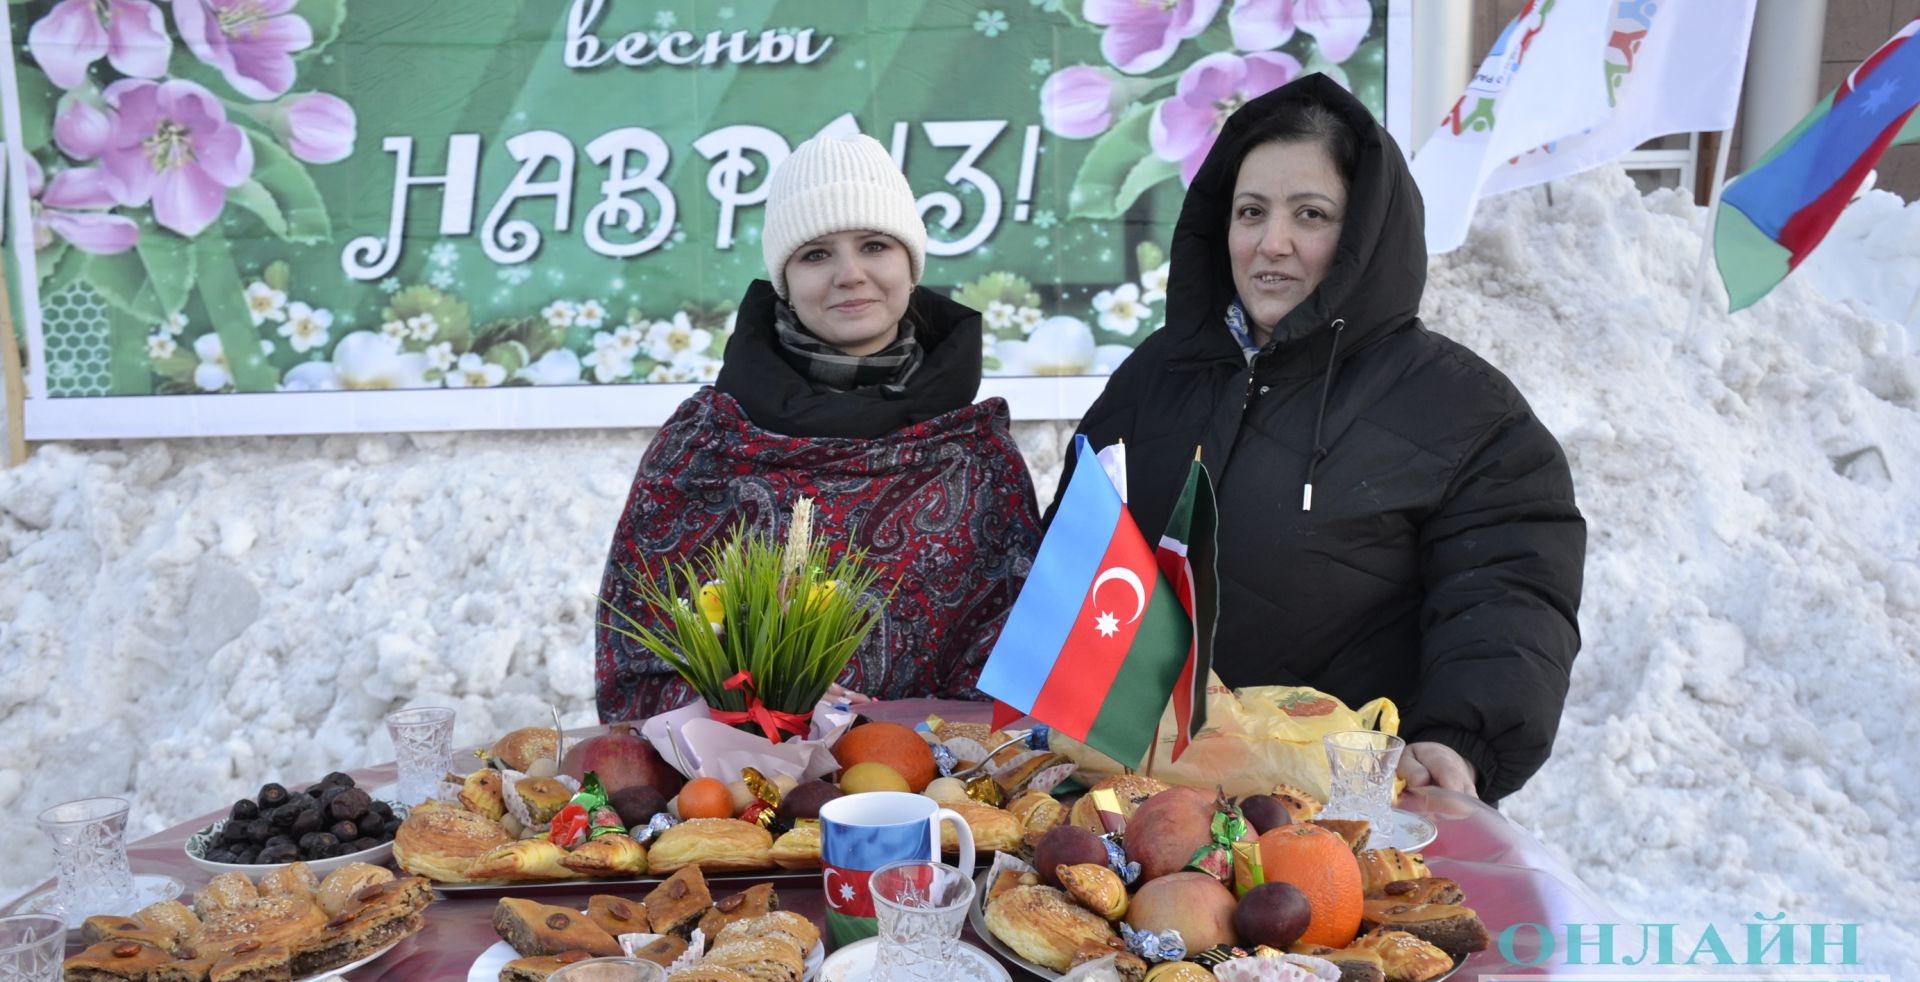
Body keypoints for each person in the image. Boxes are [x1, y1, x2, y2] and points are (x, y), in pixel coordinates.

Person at [1057, 75, 1584, 804]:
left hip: (1339, 816)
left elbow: (1505, 592)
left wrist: (1459, 736)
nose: (1272, 243)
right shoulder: (1154, 378)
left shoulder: (1464, 411)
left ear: (1364, 235)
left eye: (1310, 214)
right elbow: (1077, 555)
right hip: (1140, 796)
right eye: (1251, 212)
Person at [596, 134, 1041, 722]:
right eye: (816, 254)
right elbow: (638, 654)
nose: (850, 274)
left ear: (910, 264)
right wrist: (752, 702)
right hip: (740, 792)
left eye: (875, 245)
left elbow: (1018, 657)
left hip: (935, 797)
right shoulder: (703, 443)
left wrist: (901, 738)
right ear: (784, 279)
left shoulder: (976, 452)